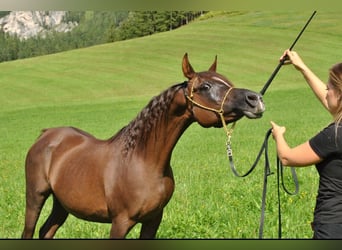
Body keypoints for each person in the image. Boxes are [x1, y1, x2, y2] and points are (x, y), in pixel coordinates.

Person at [270, 49, 342, 239]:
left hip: (332, 226)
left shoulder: (334, 136)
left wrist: (279, 135)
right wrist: (301, 67)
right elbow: (331, 103)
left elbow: (287, 157)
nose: (326, 92)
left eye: (330, 88)